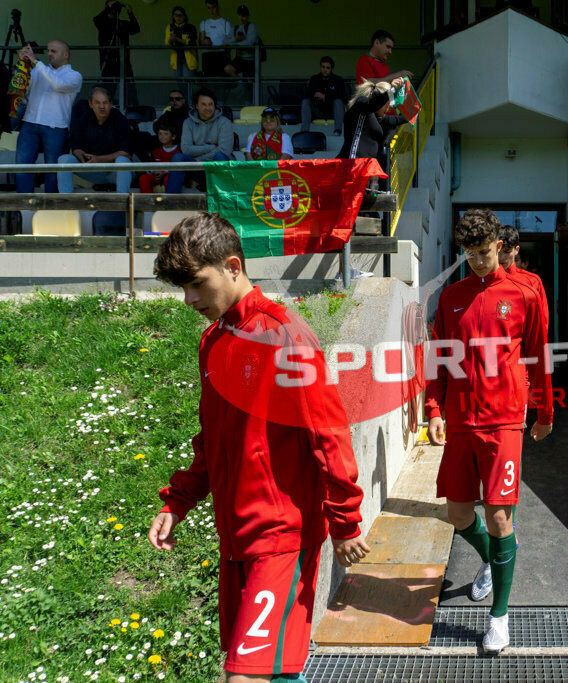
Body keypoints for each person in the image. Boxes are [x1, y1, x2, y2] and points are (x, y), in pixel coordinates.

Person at [149, 212, 369, 682]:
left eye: (197, 284)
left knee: (244, 676)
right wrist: (179, 501)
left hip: (280, 536)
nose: (189, 300)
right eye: (182, 288)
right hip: (235, 536)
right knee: (273, 670)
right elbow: (213, 439)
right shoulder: (213, 340)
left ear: (233, 266)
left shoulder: (284, 334)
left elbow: (327, 433)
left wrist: (345, 520)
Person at [426, 208, 553, 654]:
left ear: (499, 245)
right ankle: (491, 559)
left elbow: (539, 354)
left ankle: (499, 617)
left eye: (484, 252)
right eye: (470, 254)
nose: (478, 261)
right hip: (461, 421)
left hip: (504, 420)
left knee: (500, 518)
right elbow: (439, 357)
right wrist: (434, 408)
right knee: (459, 515)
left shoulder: (525, 291)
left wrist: (545, 411)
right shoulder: (451, 297)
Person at [14, 41, 83, 194]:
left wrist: (36, 62)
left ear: (66, 54)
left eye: (54, 51)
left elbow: (58, 85)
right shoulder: (37, 71)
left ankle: (51, 205)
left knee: (53, 171)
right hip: (29, 123)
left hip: (56, 128)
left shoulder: (74, 75)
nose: (49, 54)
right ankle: (24, 204)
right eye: (48, 51)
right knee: (22, 167)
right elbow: (22, 92)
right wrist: (22, 65)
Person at [57, 86, 133, 194]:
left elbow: (127, 153)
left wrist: (99, 159)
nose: (102, 106)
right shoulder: (83, 120)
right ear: (90, 104)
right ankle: (66, 199)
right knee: (64, 159)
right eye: (97, 103)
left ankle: (122, 199)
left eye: (105, 102)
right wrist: (83, 157)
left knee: (122, 161)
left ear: (110, 104)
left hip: (115, 173)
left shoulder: (120, 120)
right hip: (94, 171)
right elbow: (76, 147)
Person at [169, 88, 233, 192]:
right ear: (197, 106)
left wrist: (199, 160)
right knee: (178, 157)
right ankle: (171, 199)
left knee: (220, 156)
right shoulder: (188, 122)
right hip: (198, 170)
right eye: (203, 104)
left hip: (219, 168)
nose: (208, 108)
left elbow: (224, 150)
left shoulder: (225, 122)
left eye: (210, 104)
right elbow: (186, 149)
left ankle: (221, 198)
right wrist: (211, 147)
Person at [338, 78, 406, 169]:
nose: (389, 108)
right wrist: (391, 89)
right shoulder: (361, 105)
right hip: (354, 164)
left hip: (367, 166)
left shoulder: (375, 116)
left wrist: (413, 111)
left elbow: (395, 120)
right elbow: (374, 104)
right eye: (388, 102)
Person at [301, 56, 349, 137]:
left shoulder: (338, 80)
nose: (325, 70)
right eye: (323, 67)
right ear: (320, 67)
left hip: (333, 112)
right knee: (305, 101)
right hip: (317, 110)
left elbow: (343, 97)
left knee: (338, 101)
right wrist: (316, 96)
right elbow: (308, 94)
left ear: (332, 69)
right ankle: (304, 132)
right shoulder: (314, 79)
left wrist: (325, 96)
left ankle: (337, 131)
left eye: (327, 68)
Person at [93, 0, 140, 81]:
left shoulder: (122, 23)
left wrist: (130, 12)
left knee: (127, 84)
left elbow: (136, 29)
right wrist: (108, 7)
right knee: (108, 84)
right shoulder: (103, 23)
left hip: (123, 61)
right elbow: (96, 20)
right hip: (108, 60)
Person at [138, 120, 181, 193]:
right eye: (160, 134)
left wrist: (165, 172)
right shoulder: (156, 151)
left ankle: (170, 199)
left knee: (169, 178)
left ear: (173, 137)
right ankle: (147, 199)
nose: (162, 136)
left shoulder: (179, 151)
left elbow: (180, 169)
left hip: (170, 176)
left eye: (166, 134)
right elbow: (150, 165)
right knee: (144, 178)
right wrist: (154, 171)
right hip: (157, 176)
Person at [199, 0, 233, 77]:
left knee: (221, 79)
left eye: (213, 7)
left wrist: (225, 44)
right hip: (207, 55)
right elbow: (201, 41)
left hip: (221, 55)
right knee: (209, 79)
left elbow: (229, 42)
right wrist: (205, 42)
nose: (211, 10)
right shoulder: (203, 23)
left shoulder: (226, 23)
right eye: (209, 8)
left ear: (218, 7)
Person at [164, 5, 198, 81]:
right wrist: (171, 40)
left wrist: (177, 39)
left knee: (188, 82)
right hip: (176, 59)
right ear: (173, 16)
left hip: (189, 59)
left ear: (184, 16)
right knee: (179, 83)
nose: (178, 17)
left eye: (180, 15)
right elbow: (167, 43)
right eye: (176, 15)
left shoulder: (190, 27)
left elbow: (192, 42)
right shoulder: (170, 27)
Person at [224, 4, 259, 78]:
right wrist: (236, 39)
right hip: (239, 58)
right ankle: (241, 83)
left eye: (244, 15)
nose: (241, 18)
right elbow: (226, 42)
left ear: (248, 16)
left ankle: (244, 83)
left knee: (251, 82)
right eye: (240, 15)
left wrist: (235, 43)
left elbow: (249, 43)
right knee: (228, 69)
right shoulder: (235, 28)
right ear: (237, 15)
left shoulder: (252, 27)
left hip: (251, 60)